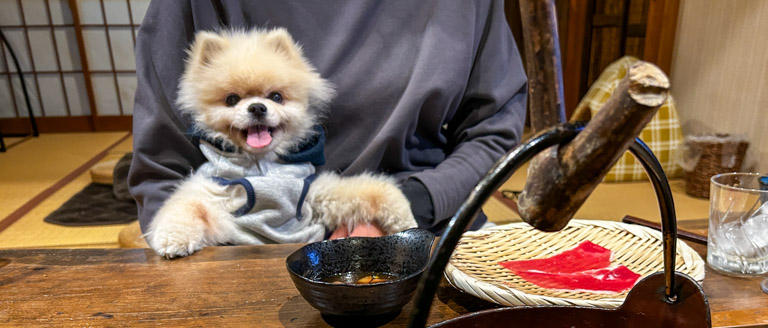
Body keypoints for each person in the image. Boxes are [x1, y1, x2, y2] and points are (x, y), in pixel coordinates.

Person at [129, 0, 527, 241]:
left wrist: (416, 204)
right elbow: (162, 171)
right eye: (235, 98)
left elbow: (492, 127)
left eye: (273, 97)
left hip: (428, 225)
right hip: (237, 245)